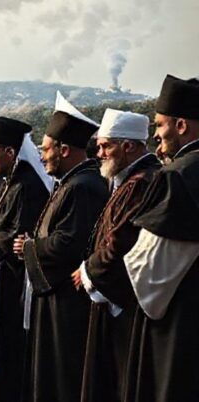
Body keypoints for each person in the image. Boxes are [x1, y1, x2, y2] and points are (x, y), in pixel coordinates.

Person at [16, 92, 109, 402]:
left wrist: (29, 247)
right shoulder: (71, 182)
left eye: (45, 150)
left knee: (63, 378)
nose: (42, 157)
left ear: (64, 150)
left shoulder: (82, 186)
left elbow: (68, 243)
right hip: (57, 300)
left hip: (68, 303)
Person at [122, 74, 199, 401]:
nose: (155, 135)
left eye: (160, 125)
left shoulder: (177, 176)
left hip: (181, 325)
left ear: (181, 126)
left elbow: (148, 274)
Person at [77, 109, 161, 402]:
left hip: (125, 302)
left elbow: (122, 243)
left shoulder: (141, 183)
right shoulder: (126, 179)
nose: (99, 153)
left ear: (128, 146)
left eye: (106, 146)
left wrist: (87, 271)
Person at [0, 117, 52, 402]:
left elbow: (20, 230)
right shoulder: (8, 182)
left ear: (9, 152)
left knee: (10, 351)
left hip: (14, 282)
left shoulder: (27, 185)